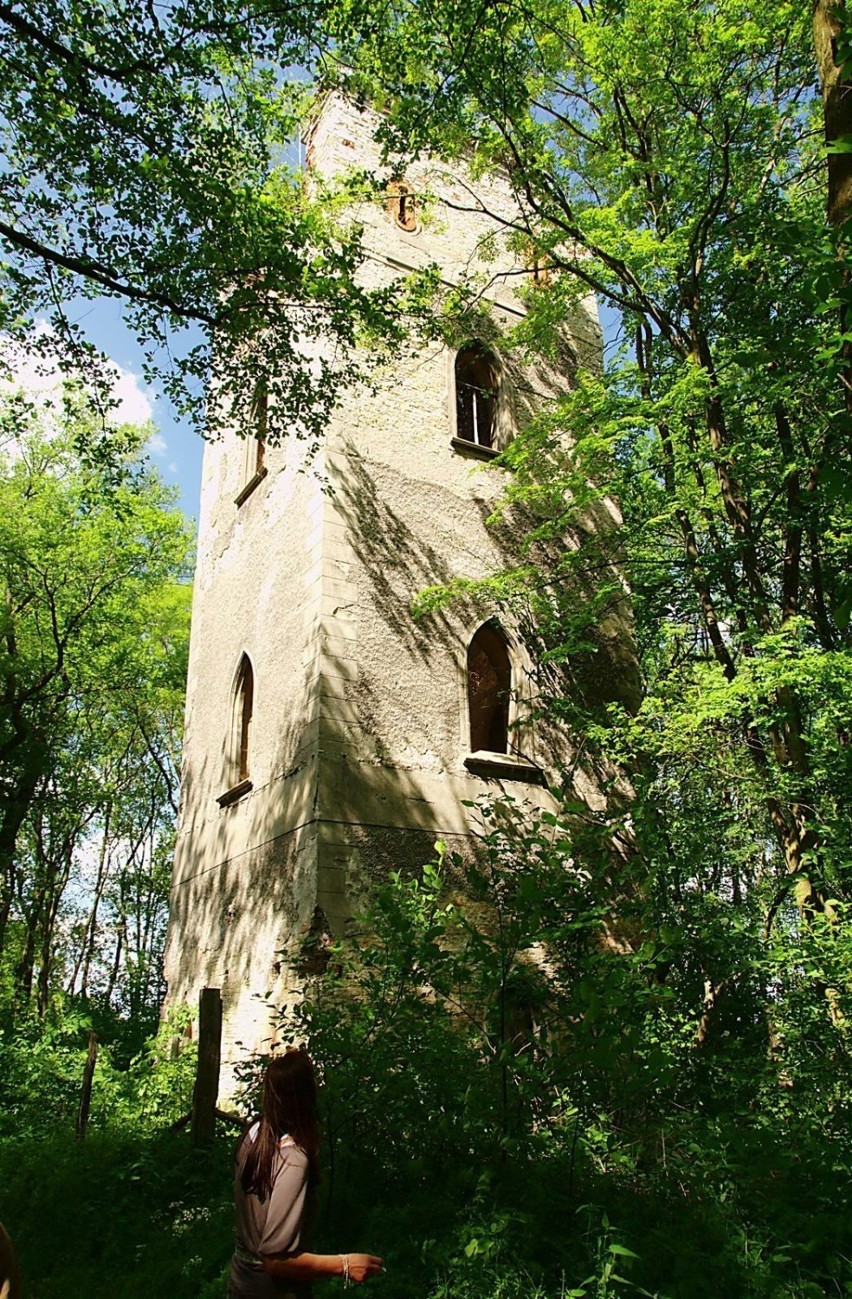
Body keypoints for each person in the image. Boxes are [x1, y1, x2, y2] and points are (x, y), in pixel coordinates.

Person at [227, 1048, 382, 1297]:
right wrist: (345, 1264)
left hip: (241, 1284)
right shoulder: (293, 1159)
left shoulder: (253, 1134)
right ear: (306, 1096)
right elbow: (275, 1259)